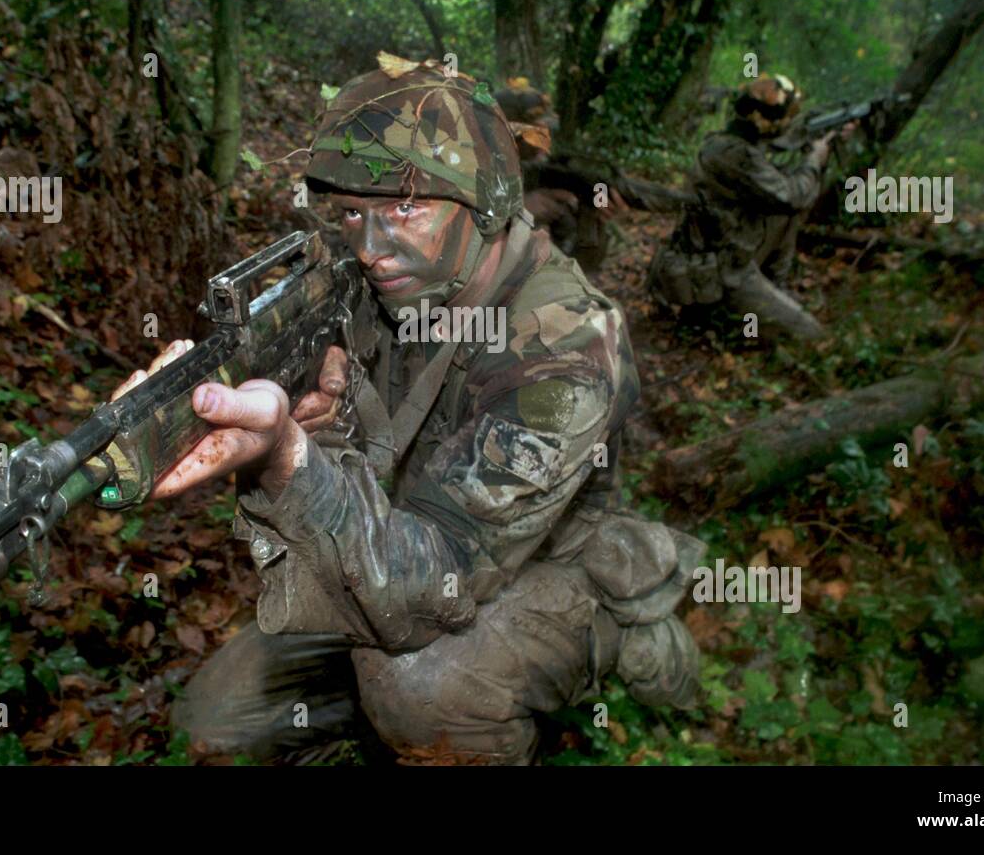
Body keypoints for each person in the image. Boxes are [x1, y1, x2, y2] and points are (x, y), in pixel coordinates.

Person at [112, 57, 703, 764]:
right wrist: (279, 411)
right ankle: (376, 726)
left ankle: (604, 648)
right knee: (216, 713)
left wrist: (287, 459)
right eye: (353, 212)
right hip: (401, 539)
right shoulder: (387, 278)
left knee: (420, 687)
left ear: (483, 202)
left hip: (532, 565)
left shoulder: (567, 346)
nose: (368, 245)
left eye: (404, 207)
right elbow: (377, 449)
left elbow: (440, 574)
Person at [649, 73, 851, 340]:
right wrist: (815, 158)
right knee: (813, 334)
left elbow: (782, 144)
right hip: (720, 273)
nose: (788, 121)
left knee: (783, 217)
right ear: (761, 118)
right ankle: (712, 318)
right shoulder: (736, 154)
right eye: (783, 115)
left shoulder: (733, 141)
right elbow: (792, 195)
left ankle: (770, 291)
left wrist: (818, 136)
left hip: (727, 256)